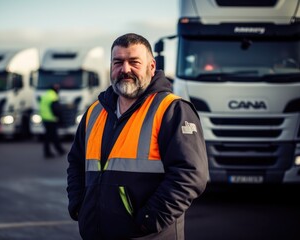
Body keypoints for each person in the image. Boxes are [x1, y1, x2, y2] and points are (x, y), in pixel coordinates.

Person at [66, 33, 209, 240]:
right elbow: (76, 162)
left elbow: (190, 174)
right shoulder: (95, 111)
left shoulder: (171, 109)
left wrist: (149, 219)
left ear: (151, 67)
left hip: (148, 235)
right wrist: (79, 205)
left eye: (134, 62)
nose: (125, 69)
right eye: (118, 62)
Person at [40, 83, 65, 158]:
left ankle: (59, 150)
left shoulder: (46, 94)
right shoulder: (53, 96)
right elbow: (56, 109)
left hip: (45, 118)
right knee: (51, 136)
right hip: (51, 119)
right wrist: (60, 118)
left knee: (52, 136)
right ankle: (49, 152)